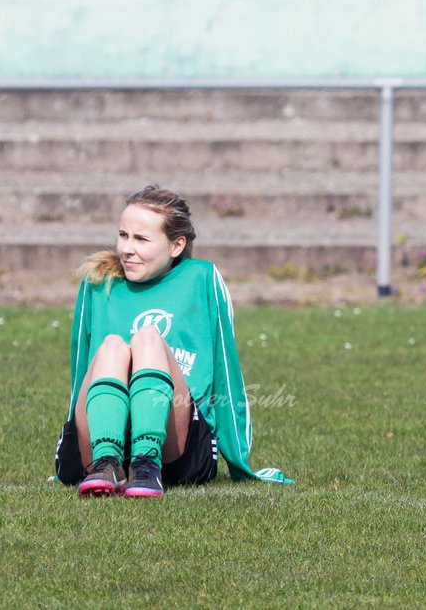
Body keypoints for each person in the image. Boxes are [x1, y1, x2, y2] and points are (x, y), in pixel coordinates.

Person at [55, 185, 291, 497]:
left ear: (177, 245)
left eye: (141, 239)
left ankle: (146, 465)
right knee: (112, 346)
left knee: (149, 339)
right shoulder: (98, 282)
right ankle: (107, 463)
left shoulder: (202, 278)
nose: (126, 248)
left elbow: (226, 369)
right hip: (97, 441)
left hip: (178, 446)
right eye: (123, 235)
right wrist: (70, 446)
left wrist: (240, 463)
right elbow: (81, 370)